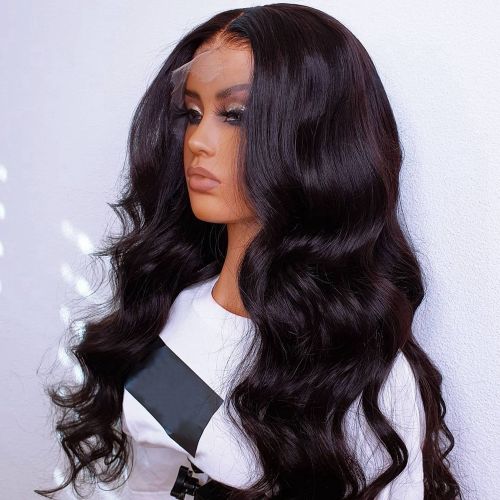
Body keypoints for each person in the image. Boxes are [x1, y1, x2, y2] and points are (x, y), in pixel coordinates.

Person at [35, 4, 462, 499]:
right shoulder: (167, 319)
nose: (198, 141)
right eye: (192, 114)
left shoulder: (361, 374)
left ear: (313, 137)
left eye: (235, 115)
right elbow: (160, 473)